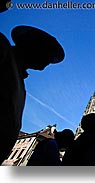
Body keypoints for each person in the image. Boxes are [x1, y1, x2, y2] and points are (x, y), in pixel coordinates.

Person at [0, 25, 65, 164]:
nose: (49, 62)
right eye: (48, 55)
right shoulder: (3, 49)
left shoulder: (20, 80)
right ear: (34, 47)